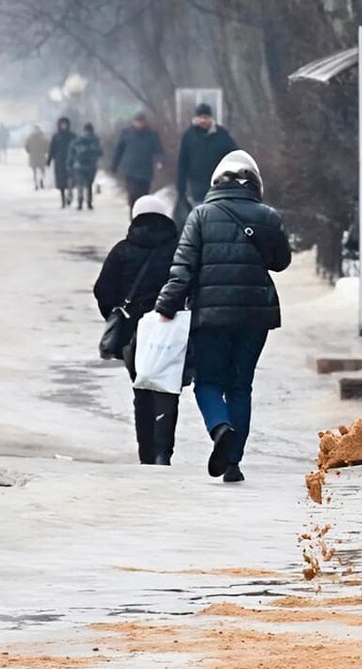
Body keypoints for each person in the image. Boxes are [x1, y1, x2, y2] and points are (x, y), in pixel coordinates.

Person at [156, 150, 291, 483]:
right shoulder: (268, 216)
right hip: (255, 315)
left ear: (216, 183)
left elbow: (183, 267)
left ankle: (220, 428)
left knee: (209, 382)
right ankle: (233, 462)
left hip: (212, 315)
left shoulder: (200, 216)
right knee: (241, 385)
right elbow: (280, 261)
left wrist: (166, 306)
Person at [93, 195, 181, 465]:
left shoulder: (122, 250)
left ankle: (146, 455)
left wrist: (116, 313)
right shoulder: (178, 250)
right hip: (170, 328)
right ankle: (163, 451)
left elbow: (102, 290)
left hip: (134, 331)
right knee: (168, 389)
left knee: (141, 391)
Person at [175, 103, 237, 214]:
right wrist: (181, 188)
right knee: (201, 217)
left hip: (219, 186)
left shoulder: (222, 135)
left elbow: (234, 156)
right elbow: (182, 162)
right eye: (201, 117)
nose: (203, 121)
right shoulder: (189, 136)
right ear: (196, 118)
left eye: (206, 117)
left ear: (211, 118)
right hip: (197, 188)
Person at [110, 113, 165, 212]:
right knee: (133, 195)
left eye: (141, 122)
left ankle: (141, 217)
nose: (139, 124)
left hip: (146, 170)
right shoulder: (126, 134)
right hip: (130, 170)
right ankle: (133, 217)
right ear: (133, 122)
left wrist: (160, 160)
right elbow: (119, 150)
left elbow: (158, 149)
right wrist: (114, 165)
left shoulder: (151, 135)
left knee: (143, 197)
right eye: (137, 122)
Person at [69, 123, 103, 210]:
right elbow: (100, 153)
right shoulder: (95, 140)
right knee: (89, 185)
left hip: (79, 165)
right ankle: (89, 203)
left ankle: (80, 202)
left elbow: (72, 152)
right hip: (91, 166)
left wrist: (70, 163)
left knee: (80, 184)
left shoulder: (78, 139)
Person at [47, 117, 76, 208]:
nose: (64, 126)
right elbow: (52, 149)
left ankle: (70, 194)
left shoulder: (72, 136)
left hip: (70, 160)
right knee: (61, 182)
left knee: (70, 179)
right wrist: (49, 160)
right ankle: (63, 200)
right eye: (62, 124)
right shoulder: (56, 137)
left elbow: (77, 148)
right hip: (59, 161)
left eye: (65, 124)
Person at [25, 125, 49, 190]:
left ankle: (37, 183)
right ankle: (40, 182)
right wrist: (44, 151)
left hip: (34, 157)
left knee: (36, 172)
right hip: (41, 156)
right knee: (41, 171)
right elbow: (47, 147)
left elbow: (27, 147)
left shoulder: (30, 138)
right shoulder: (44, 138)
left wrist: (30, 152)